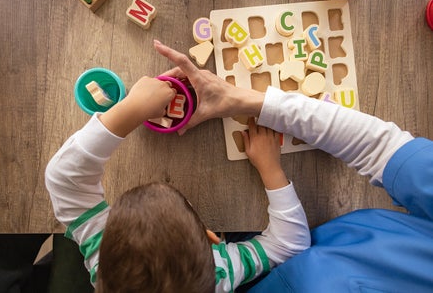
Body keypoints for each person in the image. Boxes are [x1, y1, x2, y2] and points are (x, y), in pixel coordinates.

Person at [153, 40, 433, 292]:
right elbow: (382, 147)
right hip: (283, 249)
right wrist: (242, 100)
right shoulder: (220, 270)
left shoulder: (219, 272)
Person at [45, 73, 310, 291]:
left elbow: (64, 178)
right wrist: (271, 168)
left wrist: (132, 107)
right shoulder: (219, 274)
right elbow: (291, 243)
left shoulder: (107, 262)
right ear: (212, 239)